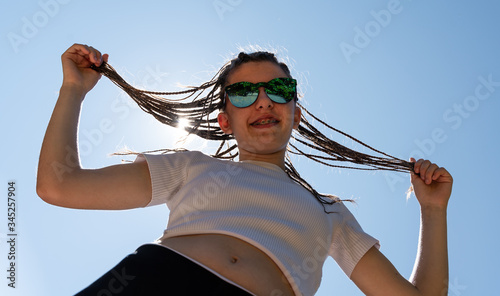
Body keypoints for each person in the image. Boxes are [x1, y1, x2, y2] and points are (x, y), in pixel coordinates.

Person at [37, 43, 453, 296]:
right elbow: (59, 185)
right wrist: (73, 89)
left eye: (279, 90)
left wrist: (432, 211)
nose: (263, 101)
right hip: (155, 283)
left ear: (297, 113)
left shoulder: (330, 213)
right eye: (241, 93)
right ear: (224, 120)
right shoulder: (189, 167)